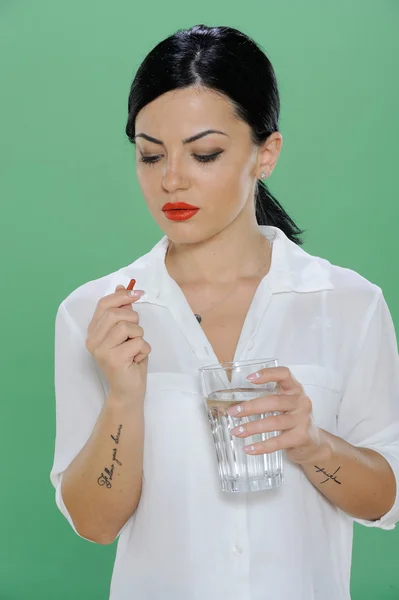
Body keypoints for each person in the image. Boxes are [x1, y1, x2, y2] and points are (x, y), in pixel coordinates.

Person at [50, 24, 399, 600]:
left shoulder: (348, 304)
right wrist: (122, 397)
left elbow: (387, 499)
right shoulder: (94, 314)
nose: (172, 179)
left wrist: (314, 444)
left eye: (205, 153)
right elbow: (95, 523)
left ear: (267, 153)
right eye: (150, 154)